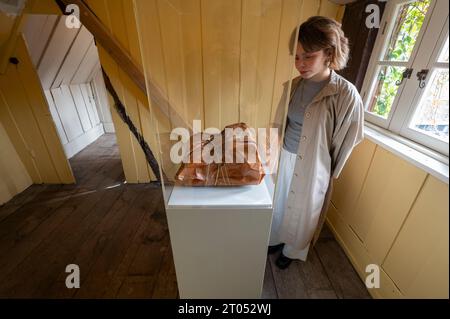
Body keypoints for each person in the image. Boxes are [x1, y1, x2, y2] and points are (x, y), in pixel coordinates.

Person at [269, 16, 365, 269]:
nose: (300, 64)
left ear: (329, 53)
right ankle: (277, 239)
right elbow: (279, 122)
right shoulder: (293, 86)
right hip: (286, 156)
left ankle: (292, 250)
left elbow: (348, 138)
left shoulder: (345, 94)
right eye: (297, 56)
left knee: (304, 211)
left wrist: (326, 172)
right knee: (281, 202)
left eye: (308, 56)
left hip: (315, 164)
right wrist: (271, 153)